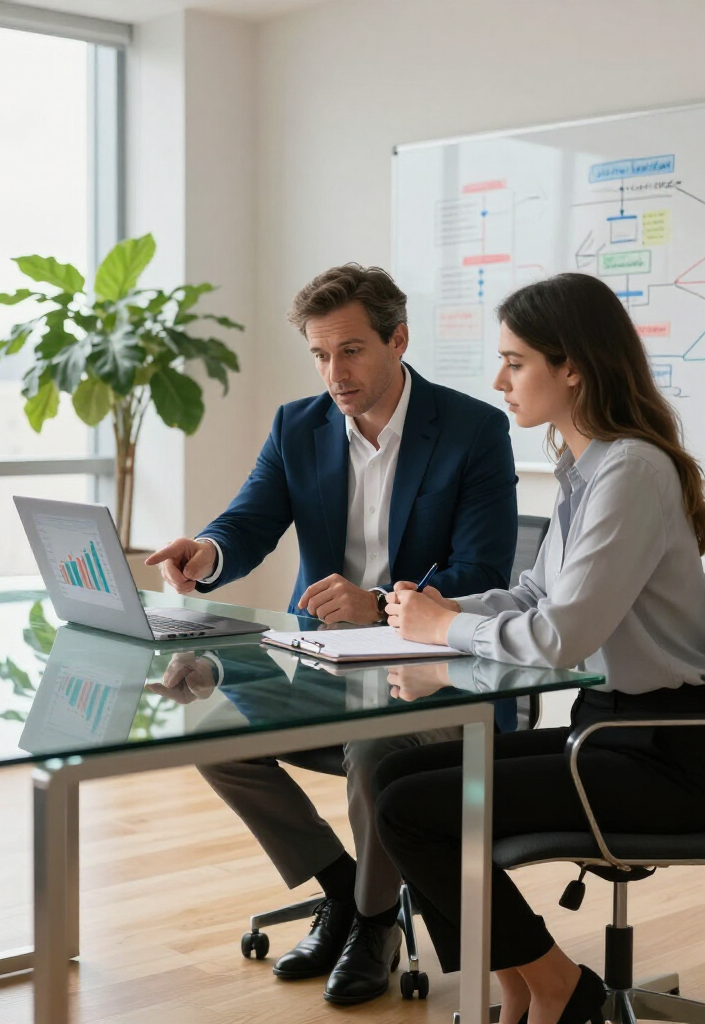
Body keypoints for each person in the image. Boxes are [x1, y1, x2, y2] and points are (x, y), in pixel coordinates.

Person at [146, 263, 518, 1005]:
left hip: (434, 671)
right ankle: (342, 888)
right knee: (199, 716)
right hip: (317, 662)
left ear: (398, 340)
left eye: (349, 350)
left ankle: (377, 924)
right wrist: (207, 553)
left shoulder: (473, 429)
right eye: (319, 355)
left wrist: (379, 601)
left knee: (374, 746)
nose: (334, 373)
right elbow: (249, 519)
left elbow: (481, 571)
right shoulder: (299, 424)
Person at [375, 272, 705, 1024]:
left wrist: (443, 631)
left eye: (515, 361)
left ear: (571, 366)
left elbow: (562, 636)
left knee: (413, 807)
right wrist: (435, 610)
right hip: (604, 729)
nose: (498, 379)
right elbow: (536, 598)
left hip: (661, 754)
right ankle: (518, 984)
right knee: (396, 777)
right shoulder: (588, 466)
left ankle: (561, 988)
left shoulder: (631, 469)